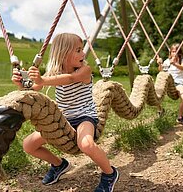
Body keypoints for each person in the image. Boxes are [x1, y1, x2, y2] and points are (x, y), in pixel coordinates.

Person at [12, 33, 119, 191]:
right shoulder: (54, 73)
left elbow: (69, 79)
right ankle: (59, 164)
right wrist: (21, 84)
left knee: (86, 144)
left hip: (85, 118)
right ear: (63, 53)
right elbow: (35, 88)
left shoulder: (85, 70)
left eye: (82, 49)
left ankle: (110, 173)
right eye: (78, 50)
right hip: (63, 121)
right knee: (29, 145)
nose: (83, 54)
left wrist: (42, 80)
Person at [157, 43, 183, 125]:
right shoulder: (167, 61)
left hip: (178, 83)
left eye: (176, 52)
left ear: (180, 53)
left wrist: (174, 63)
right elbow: (161, 71)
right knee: (156, 94)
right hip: (168, 83)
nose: (174, 53)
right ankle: (160, 110)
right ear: (170, 52)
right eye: (173, 51)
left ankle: (180, 117)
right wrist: (160, 64)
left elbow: (182, 67)